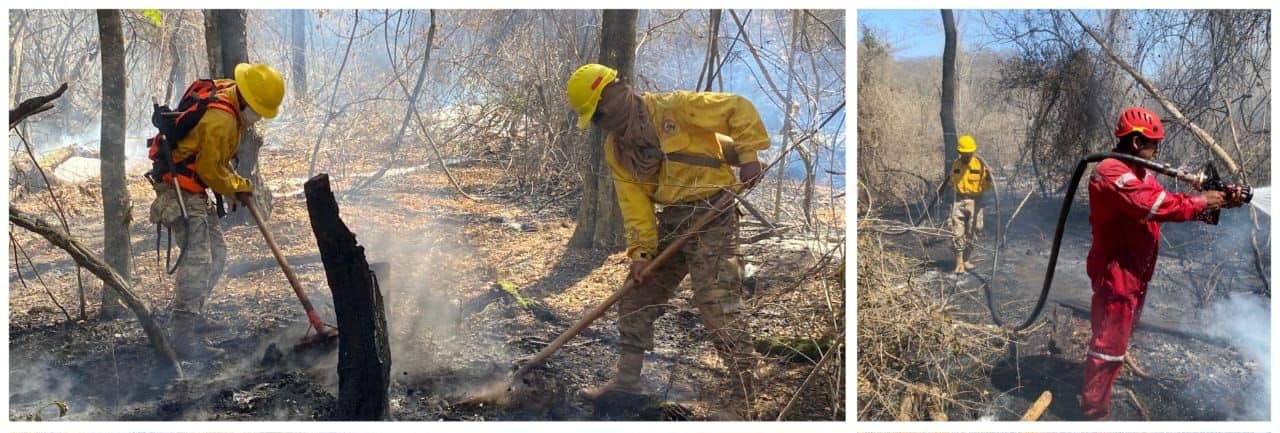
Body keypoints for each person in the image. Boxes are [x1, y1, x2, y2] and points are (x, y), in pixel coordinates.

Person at [565, 63, 768, 418]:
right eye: (594, 116)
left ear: (618, 90)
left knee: (717, 302)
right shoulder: (617, 151)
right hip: (671, 221)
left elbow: (738, 107)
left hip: (713, 212)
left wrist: (749, 156)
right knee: (635, 298)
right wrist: (641, 254)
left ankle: (747, 391)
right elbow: (635, 205)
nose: (602, 119)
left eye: (601, 109)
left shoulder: (674, 108)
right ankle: (627, 381)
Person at [1080, 106, 1244, 419]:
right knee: (1107, 347)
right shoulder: (1111, 171)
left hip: (1135, 272)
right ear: (1138, 142)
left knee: (1119, 339)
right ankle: (1094, 415)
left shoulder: (1140, 171)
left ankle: (1104, 386)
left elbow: (1165, 199)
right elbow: (1154, 205)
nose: (1158, 150)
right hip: (1117, 274)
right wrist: (1202, 201)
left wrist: (1218, 198)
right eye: (1155, 144)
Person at [148, 63, 285, 358]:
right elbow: (211, 170)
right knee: (198, 260)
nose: (258, 118)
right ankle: (182, 339)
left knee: (217, 254)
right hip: (179, 190)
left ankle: (193, 315)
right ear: (248, 100)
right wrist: (238, 185)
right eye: (258, 111)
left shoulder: (228, 91)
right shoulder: (222, 119)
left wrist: (236, 185)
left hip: (194, 189)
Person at [948, 135, 992, 274]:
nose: (967, 155)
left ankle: (966, 259)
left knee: (975, 229)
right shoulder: (955, 165)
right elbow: (951, 181)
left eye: (969, 153)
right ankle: (959, 262)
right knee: (957, 231)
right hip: (959, 201)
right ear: (960, 152)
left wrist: (989, 176)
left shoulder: (980, 165)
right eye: (964, 153)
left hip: (976, 201)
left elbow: (988, 186)